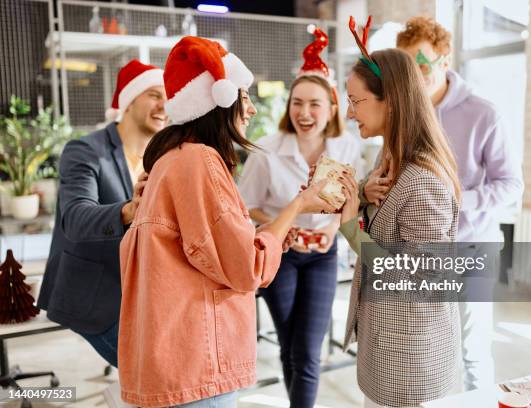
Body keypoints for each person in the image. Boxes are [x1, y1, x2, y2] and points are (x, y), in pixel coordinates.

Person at [118, 36, 336, 408]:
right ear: (219, 100)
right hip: (197, 364)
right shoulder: (199, 162)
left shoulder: (172, 160)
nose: (250, 109)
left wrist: (270, 234)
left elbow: (211, 247)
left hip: (176, 360)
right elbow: (247, 267)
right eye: (244, 96)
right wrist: (298, 206)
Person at [329, 17, 462, 408]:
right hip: (389, 342)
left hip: (410, 356)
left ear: (391, 100)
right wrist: (362, 196)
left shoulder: (422, 180)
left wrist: (353, 230)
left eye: (356, 102)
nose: (351, 114)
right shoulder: (391, 158)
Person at [395, 16, 524, 391]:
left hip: (472, 246)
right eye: (407, 68)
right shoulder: (404, 115)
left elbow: (511, 184)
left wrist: (454, 201)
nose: (416, 77)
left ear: (445, 60)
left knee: (472, 351)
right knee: (422, 346)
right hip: (420, 251)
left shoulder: (484, 113)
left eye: (422, 65)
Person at [238, 25, 362, 408]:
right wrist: (287, 220)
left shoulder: (348, 146)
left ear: (332, 109)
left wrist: (328, 227)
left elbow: (346, 203)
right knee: (291, 345)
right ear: (288, 106)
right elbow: (247, 206)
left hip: (322, 256)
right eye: (297, 103)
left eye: (314, 104)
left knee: (307, 350)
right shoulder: (267, 151)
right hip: (280, 256)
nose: (304, 113)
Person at [37, 60, 166, 367]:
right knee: (151, 374)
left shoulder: (160, 156)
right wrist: (128, 210)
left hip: (141, 291)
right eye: (154, 94)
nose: (164, 105)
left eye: (168, 96)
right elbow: (76, 218)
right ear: (129, 100)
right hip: (94, 294)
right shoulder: (85, 151)